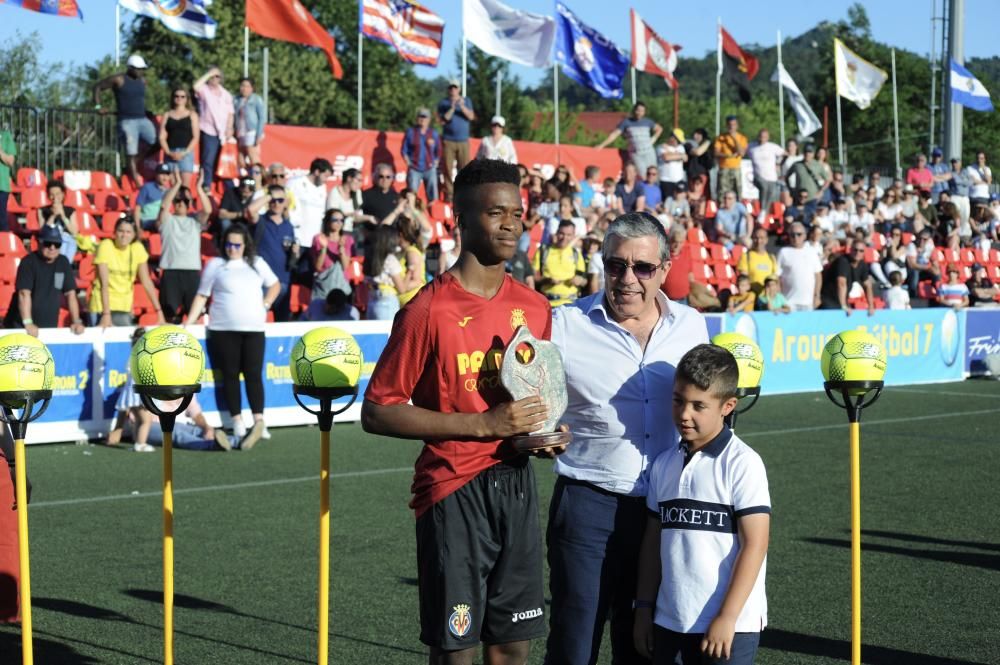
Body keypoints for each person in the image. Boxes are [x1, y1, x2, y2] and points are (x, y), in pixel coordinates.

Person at [361, 159, 556, 664]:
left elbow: (528, 400)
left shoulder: (534, 307)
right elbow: (378, 411)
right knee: (457, 651)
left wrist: (541, 434)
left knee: (513, 645)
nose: (511, 223)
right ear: (461, 220)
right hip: (453, 490)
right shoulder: (427, 310)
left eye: (517, 212)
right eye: (496, 212)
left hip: (515, 485)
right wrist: (481, 425)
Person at [545, 211, 708, 665]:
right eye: (616, 265)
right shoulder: (564, 325)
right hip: (587, 505)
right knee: (574, 644)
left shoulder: (692, 325)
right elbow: (533, 403)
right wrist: (541, 432)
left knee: (645, 647)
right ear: (602, 264)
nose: (627, 279)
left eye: (643, 268)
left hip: (666, 509)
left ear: (665, 269)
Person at [633, 344, 770, 665]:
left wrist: (727, 617)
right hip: (670, 622)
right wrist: (643, 609)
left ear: (728, 406)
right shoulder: (664, 464)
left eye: (699, 405)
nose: (684, 414)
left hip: (729, 627)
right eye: (678, 400)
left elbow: (756, 544)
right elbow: (653, 543)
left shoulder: (743, 463)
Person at [186, 223, 280, 450]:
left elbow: (275, 284)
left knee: (253, 375)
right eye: (228, 244)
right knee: (230, 374)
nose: (232, 249)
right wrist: (188, 322)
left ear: (245, 244)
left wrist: (265, 304)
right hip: (223, 329)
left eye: (237, 244)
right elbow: (202, 295)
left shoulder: (257, 263)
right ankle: (237, 420)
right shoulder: (215, 265)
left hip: (254, 328)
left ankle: (259, 421)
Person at [108, 328, 219, 452]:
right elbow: (128, 404)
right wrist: (118, 428)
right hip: (148, 409)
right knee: (165, 428)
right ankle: (141, 443)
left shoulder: (176, 373)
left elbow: (194, 409)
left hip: (151, 405)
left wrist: (206, 428)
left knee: (193, 430)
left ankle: (233, 441)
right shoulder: (145, 365)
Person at [3, 225, 84, 334]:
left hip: (48, 326)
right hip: (21, 326)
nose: (52, 247)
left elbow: (70, 294)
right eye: (47, 243)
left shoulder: (63, 262)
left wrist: (76, 321)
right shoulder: (28, 262)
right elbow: (23, 293)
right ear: (39, 242)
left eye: (57, 244)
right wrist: (28, 323)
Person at [157, 169, 212, 323]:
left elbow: (208, 210)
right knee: (170, 315)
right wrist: (177, 185)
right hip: (171, 272)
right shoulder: (168, 221)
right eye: (178, 200)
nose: (181, 203)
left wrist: (199, 188)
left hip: (192, 272)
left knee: (193, 315)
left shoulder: (195, 222)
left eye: (186, 201)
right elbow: (163, 206)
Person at [89, 216, 164, 328]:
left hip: (123, 306)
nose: (124, 235)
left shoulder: (137, 249)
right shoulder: (106, 246)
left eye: (128, 232)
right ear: (115, 232)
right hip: (101, 307)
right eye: (121, 231)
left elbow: (147, 282)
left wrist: (159, 312)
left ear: (134, 235)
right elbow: (104, 284)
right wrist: (106, 314)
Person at [93, 54, 156, 186]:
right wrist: (98, 106)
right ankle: (136, 182)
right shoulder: (119, 79)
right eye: (137, 69)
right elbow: (97, 87)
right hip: (127, 120)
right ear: (130, 68)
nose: (140, 72)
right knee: (131, 151)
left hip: (142, 118)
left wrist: (146, 111)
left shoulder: (143, 81)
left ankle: (132, 166)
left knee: (157, 141)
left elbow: (138, 100)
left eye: (142, 69)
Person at [251, 184, 299, 322]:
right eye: (273, 200)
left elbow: (290, 254)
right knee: (258, 321)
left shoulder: (288, 225)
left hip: (283, 279)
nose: (276, 203)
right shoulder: (260, 221)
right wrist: (270, 196)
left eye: (280, 200)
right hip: (263, 281)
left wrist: (295, 252)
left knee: (282, 322)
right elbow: (250, 210)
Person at [193, 66, 234, 189]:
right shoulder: (204, 90)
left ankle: (229, 188)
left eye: (217, 76)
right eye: (212, 76)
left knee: (224, 161)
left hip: (223, 133)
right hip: (208, 130)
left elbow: (230, 113)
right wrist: (208, 74)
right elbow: (195, 86)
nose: (214, 79)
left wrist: (229, 128)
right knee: (208, 160)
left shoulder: (226, 94)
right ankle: (206, 186)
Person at [597, 101, 663, 176]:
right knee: (642, 175)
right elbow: (615, 134)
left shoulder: (647, 122)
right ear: (634, 110)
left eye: (642, 111)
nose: (639, 113)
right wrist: (602, 145)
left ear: (644, 112)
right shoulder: (626, 122)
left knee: (653, 173)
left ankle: (654, 187)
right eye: (638, 110)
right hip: (636, 154)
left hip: (649, 152)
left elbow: (659, 129)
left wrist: (653, 139)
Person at [533, 219, 586, 307]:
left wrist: (579, 280)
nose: (564, 238)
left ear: (573, 236)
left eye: (569, 235)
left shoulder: (576, 253)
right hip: (548, 303)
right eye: (562, 233)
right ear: (557, 233)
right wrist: (547, 280)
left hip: (571, 304)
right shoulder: (543, 251)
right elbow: (533, 277)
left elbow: (584, 280)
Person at [438, 79, 476, 203]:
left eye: (455, 88)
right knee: (448, 169)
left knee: (464, 168)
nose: (453, 90)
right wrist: (453, 107)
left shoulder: (467, 101)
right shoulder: (443, 103)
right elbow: (444, 119)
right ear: (448, 89)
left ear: (459, 89)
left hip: (463, 141)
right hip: (448, 140)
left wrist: (462, 106)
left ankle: (464, 191)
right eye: (451, 88)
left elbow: (471, 116)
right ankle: (449, 193)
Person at [362, 225, 409, 320]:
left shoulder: (371, 257)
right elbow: (402, 289)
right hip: (387, 300)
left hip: (372, 299)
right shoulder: (390, 259)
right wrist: (410, 272)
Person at [820, 240, 875, 315]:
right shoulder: (843, 261)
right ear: (850, 250)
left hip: (841, 299)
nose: (857, 253)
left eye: (861, 251)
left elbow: (867, 285)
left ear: (864, 252)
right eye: (855, 250)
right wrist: (843, 306)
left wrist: (871, 306)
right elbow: (841, 283)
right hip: (828, 298)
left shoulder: (862, 264)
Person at [287, 158, 333, 248]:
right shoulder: (295, 183)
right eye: (325, 176)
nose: (326, 180)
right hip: (297, 238)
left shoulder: (322, 188)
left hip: (314, 241)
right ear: (316, 172)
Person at [777, 222, 822, 311]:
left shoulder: (812, 252)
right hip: (788, 302)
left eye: (799, 234)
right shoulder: (783, 252)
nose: (795, 237)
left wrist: (817, 295)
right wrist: (780, 299)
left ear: (805, 236)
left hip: (808, 302)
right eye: (792, 235)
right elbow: (778, 277)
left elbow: (818, 275)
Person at [159, 86, 199, 185]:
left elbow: (196, 137)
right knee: (172, 188)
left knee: (185, 188)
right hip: (170, 153)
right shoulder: (167, 115)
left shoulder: (192, 115)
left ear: (187, 99)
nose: (179, 98)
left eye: (182, 96)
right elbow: (162, 137)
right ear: (173, 98)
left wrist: (184, 153)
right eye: (176, 96)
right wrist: (168, 152)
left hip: (186, 153)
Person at [403, 108, 442, 203]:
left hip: (429, 168)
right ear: (417, 118)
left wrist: (436, 162)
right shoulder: (411, 132)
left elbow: (439, 150)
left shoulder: (434, 133)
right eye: (421, 117)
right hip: (415, 168)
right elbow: (404, 150)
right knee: (411, 195)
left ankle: (433, 215)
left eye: (425, 117)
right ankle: (412, 215)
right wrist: (408, 163)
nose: (422, 119)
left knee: (433, 196)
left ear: (429, 119)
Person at [36, 180, 79, 261]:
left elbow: (74, 232)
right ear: (48, 195)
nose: (55, 197)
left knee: (70, 240)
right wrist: (53, 215)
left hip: (68, 240)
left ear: (63, 194)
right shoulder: (42, 210)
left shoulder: (71, 210)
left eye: (57, 194)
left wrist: (63, 215)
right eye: (52, 194)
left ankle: (64, 265)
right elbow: (43, 231)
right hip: (51, 241)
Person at [749, 129, 785, 214]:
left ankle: (765, 212)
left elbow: (785, 154)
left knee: (769, 195)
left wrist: (779, 163)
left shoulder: (772, 147)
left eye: (765, 137)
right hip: (758, 176)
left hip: (771, 177)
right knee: (763, 188)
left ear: (768, 137)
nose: (762, 138)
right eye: (761, 136)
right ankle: (763, 210)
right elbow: (742, 152)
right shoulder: (752, 146)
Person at [312, 209, 354, 283]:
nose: (339, 222)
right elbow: (318, 267)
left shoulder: (347, 239)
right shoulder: (318, 238)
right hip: (324, 282)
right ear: (328, 222)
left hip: (341, 283)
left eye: (342, 220)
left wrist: (341, 249)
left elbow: (345, 267)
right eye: (335, 220)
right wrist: (324, 249)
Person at [787, 145, 827, 220]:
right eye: (806, 152)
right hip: (798, 197)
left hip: (812, 197)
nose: (807, 154)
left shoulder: (817, 165)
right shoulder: (797, 165)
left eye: (810, 152)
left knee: (811, 217)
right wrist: (791, 189)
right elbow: (787, 176)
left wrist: (821, 191)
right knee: (796, 217)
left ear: (813, 154)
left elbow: (827, 179)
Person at [713, 115, 748, 199]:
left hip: (736, 168)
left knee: (737, 191)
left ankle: (737, 208)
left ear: (737, 125)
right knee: (722, 193)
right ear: (727, 125)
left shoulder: (742, 138)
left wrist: (734, 138)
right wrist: (727, 155)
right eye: (730, 124)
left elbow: (742, 153)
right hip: (724, 168)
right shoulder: (720, 138)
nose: (732, 126)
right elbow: (715, 152)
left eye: (734, 124)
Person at [234, 76, 265, 168]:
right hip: (241, 132)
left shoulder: (256, 99)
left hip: (252, 131)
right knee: (241, 159)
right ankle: (248, 178)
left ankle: (259, 178)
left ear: (252, 88)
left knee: (253, 156)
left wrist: (258, 134)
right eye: (242, 86)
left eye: (247, 86)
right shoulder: (236, 100)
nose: (244, 88)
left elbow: (261, 117)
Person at [737, 228, 777, 295]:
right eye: (756, 238)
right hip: (752, 296)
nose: (758, 241)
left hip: (767, 297)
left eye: (762, 238)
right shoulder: (746, 256)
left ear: (766, 240)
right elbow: (743, 280)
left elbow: (775, 279)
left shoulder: (771, 258)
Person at [660, 226, 693, 304]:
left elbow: (690, 274)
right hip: (667, 300)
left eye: (681, 242)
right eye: (675, 241)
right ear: (670, 240)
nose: (677, 245)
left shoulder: (687, 253)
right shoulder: (663, 255)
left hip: (684, 300)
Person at [656, 128, 687, 201]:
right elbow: (666, 157)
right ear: (672, 137)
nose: (678, 143)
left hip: (679, 180)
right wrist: (679, 155)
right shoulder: (660, 147)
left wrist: (671, 154)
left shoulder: (681, 147)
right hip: (666, 181)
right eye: (677, 140)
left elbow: (685, 158)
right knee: (667, 202)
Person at [0, 125, 14, 232]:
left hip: (1, 186)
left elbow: (10, 161)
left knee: (1, 221)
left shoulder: (6, 136)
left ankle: (4, 247)